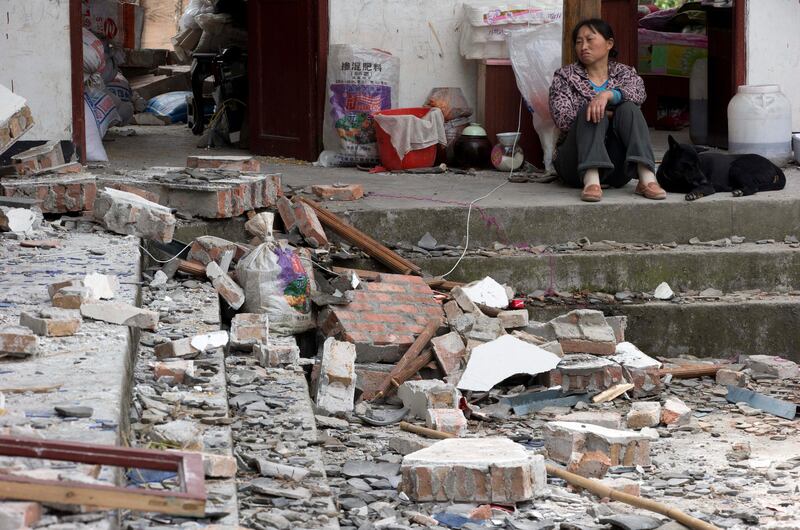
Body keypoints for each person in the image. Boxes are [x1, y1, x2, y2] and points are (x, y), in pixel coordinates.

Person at [549, 18, 666, 202]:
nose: (583, 46)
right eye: (579, 42)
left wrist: (608, 95)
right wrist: (599, 110)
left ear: (609, 43)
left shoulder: (624, 73)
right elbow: (563, 119)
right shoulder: (565, 76)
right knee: (592, 108)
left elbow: (638, 94)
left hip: (616, 168)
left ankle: (646, 177)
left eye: (589, 39)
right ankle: (591, 179)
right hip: (575, 165)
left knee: (629, 108)